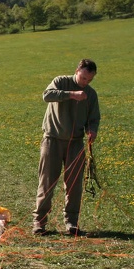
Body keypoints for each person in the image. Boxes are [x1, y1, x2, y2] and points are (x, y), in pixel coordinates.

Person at [32, 58, 100, 237]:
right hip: (52, 140)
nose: (85, 83)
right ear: (77, 70)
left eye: (89, 80)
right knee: (47, 182)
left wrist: (92, 130)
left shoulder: (91, 94)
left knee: (74, 185)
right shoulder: (61, 81)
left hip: (76, 144)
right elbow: (47, 95)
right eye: (83, 78)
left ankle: (71, 222)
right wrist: (71, 94)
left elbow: (94, 117)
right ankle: (39, 222)